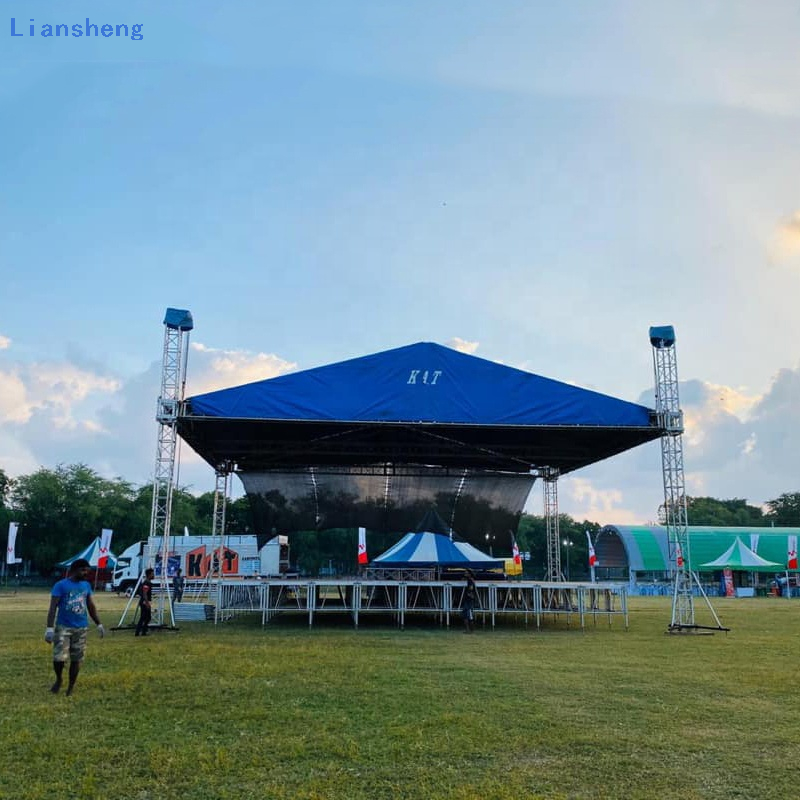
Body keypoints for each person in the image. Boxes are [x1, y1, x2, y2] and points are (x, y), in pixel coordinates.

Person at [45, 558, 105, 695]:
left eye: (87, 570)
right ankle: (59, 679)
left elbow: (90, 606)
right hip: (63, 627)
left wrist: (99, 623)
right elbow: (53, 607)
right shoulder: (61, 585)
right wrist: (49, 628)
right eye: (83, 570)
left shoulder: (86, 586)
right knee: (59, 658)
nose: (85, 573)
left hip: (81, 628)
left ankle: (71, 686)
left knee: (77, 659)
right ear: (73, 570)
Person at [135, 568, 155, 637]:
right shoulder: (146, 583)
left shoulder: (148, 582)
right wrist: (147, 603)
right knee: (144, 617)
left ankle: (143, 631)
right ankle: (138, 632)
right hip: (144, 602)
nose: (153, 575)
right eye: (152, 574)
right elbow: (145, 593)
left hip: (145, 602)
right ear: (149, 575)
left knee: (147, 617)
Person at [462, 569, 477, 633]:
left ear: (469, 574)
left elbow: (471, 588)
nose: (465, 574)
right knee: (467, 614)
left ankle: (470, 629)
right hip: (468, 599)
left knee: (468, 615)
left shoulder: (470, 581)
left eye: (466, 573)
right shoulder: (470, 580)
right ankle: (469, 629)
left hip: (469, 599)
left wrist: (469, 594)